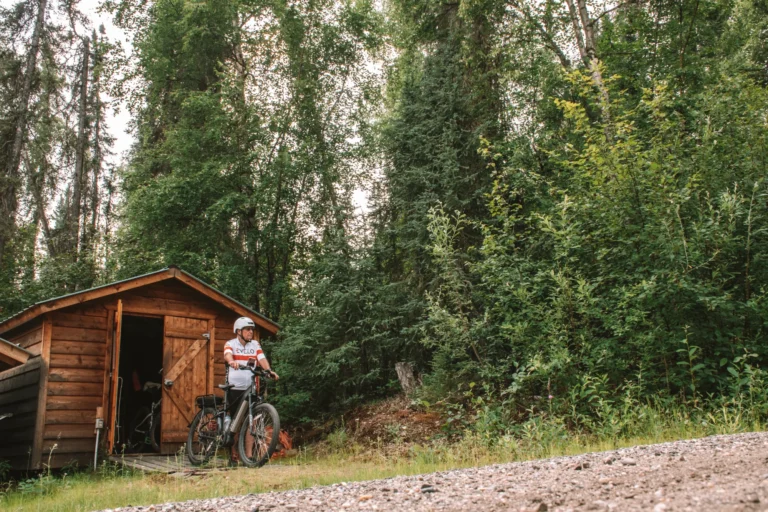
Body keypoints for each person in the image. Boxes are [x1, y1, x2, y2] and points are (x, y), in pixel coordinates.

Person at [223, 316, 279, 462]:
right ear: (239, 331)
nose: (250, 332)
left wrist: (269, 370)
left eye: (252, 330)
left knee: (251, 422)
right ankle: (233, 455)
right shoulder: (231, 343)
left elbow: (262, 359)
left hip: (251, 387)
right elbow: (228, 355)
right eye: (247, 329)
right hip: (235, 388)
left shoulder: (255, 344)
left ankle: (248, 455)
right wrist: (232, 361)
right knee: (235, 421)